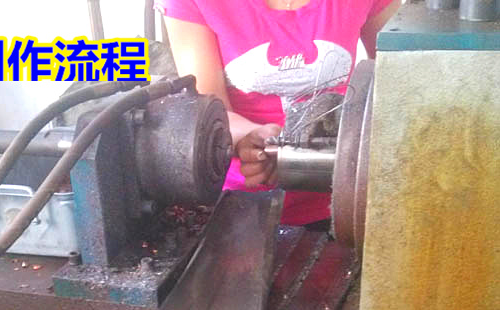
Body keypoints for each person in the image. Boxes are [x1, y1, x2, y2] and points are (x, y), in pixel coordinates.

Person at [156, 0, 401, 228]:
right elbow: (210, 113)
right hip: (237, 208)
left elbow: (399, 79)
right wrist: (252, 137)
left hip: (343, 199)